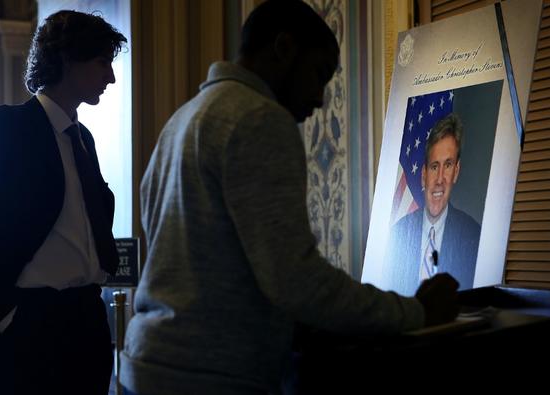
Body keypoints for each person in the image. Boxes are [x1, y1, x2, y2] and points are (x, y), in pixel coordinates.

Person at [120, 1, 459, 394]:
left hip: (146, 365)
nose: (318, 98)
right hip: (209, 375)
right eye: (317, 74)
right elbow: (296, 282)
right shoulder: (259, 118)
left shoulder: (180, 121)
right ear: (283, 48)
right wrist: (416, 312)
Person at [0, 10, 126, 395]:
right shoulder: (7, 128)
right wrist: (5, 314)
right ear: (69, 60)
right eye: (102, 62)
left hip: (87, 322)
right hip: (29, 328)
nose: (111, 77)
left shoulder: (83, 138)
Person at [385, 113, 481, 296]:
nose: (439, 180)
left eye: (448, 165)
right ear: (423, 174)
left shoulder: (474, 237)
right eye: (435, 166)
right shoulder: (397, 234)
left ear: (456, 172)